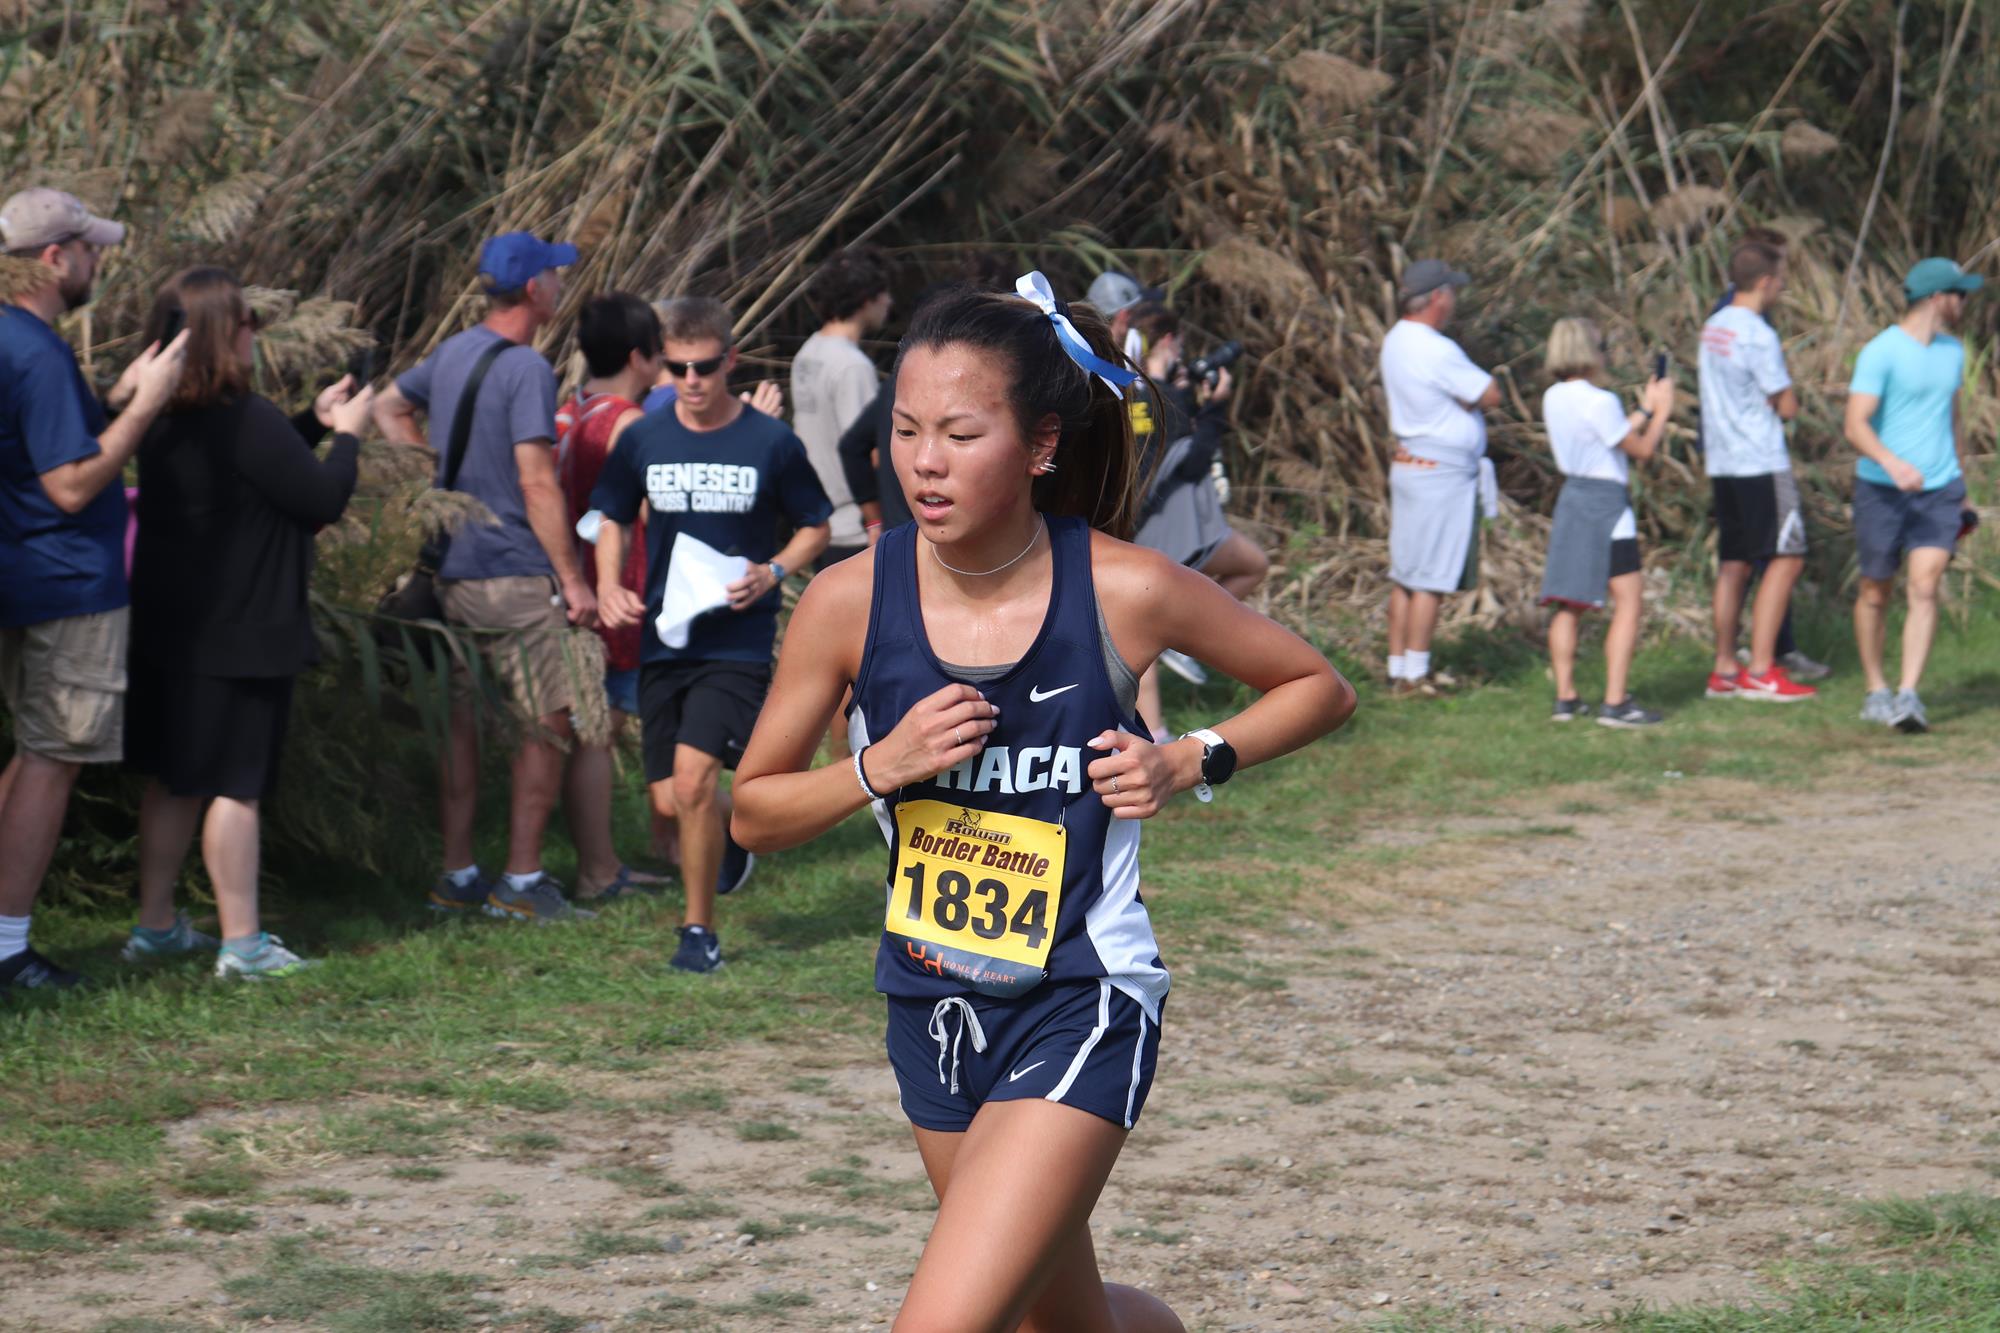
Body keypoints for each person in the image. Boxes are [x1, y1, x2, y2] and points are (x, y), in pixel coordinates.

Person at [728, 276, 1354, 1330]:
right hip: (929, 1002)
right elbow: (750, 811)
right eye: (906, 431)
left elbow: (1316, 686)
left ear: (1039, 445)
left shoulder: (1122, 588)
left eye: (960, 433)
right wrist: (878, 767)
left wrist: (1188, 757)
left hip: (1081, 995)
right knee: (1055, 1323)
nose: (923, 461)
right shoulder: (846, 599)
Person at [124, 267, 371, 978]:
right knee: (236, 782)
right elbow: (319, 497)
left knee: (176, 777)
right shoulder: (245, 417)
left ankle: (156, 925)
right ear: (222, 334)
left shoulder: (161, 416)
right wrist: (348, 436)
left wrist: (308, 422)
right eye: (243, 322)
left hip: (173, 627)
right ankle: (244, 942)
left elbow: (251, 470)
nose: (253, 334)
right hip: (244, 630)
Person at [590, 296, 831, 973]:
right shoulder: (643, 437)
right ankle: (734, 828)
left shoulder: (770, 442)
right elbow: (610, 513)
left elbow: (815, 521)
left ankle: (698, 931)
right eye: (677, 368)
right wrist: (610, 584)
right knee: (670, 798)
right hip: (665, 638)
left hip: (738, 642)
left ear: (730, 360)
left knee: (693, 781)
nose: (691, 382)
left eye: (703, 367)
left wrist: (774, 570)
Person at [371, 232, 601, 922]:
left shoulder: (454, 350)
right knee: (547, 720)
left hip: (450, 572)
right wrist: (573, 579)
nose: (561, 287)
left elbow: (387, 406)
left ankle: (458, 873)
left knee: (461, 721)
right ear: (534, 291)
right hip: (510, 571)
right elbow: (536, 480)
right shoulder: (527, 367)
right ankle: (523, 882)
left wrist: (436, 483)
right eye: (555, 277)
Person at [0, 188, 186, 991]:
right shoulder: (38, 351)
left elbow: (35, 444)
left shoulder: (14, 340)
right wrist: (143, 410)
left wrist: (107, 400)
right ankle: (7, 948)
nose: (97, 260)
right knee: (53, 758)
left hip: (21, 571)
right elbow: (72, 483)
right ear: (53, 258)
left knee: (29, 753)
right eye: (88, 248)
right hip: (67, 581)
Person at [553, 292, 675, 895]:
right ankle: (600, 869)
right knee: (601, 733)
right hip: (622, 594)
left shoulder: (575, 412)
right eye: (660, 356)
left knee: (596, 730)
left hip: (584, 590)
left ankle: (610, 859)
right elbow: (656, 511)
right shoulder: (629, 423)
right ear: (639, 356)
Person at [1845, 257, 1982, 733]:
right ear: (1936, 298)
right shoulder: (1880, 352)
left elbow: (1953, 420)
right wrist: (1891, 462)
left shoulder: (1953, 352)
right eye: (1959, 293)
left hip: (1940, 489)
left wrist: (1962, 487)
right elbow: (1855, 423)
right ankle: (1876, 689)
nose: (1964, 302)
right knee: (1875, 590)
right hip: (1881, 491)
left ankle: (1908, 695)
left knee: (1924, 585)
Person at [1125, 300, 1269, 740]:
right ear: (1169, 340)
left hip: (1139, 522)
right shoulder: (1162, 394)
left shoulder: (1131, 389)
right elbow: (1191, 458)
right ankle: (1158, 727)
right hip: (1173, 526)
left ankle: (1159, 718)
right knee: (1142, 627)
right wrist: (1216, 407)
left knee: (1139, 627)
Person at [1704, 228, 1829, 682]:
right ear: (1764, 282)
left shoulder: (1713, 326)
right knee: (1787, 557)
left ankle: (1724, 666)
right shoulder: (1757, 333)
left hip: (1723, 463)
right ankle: (1761, 667)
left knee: (1734, 564)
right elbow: (1787, 402)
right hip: (1759, 460)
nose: (1782, 287)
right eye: (1780, 279)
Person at [1537, 318, 1674, 727]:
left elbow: (1609, 435)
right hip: (1607, 504)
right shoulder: (1601, 400)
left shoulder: (1554, 397)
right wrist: (1662, 414)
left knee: (1569, 602)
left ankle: (1566, 697)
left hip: (1573, 497)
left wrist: (1644, 409)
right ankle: (1615, 702)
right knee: (1628, 600)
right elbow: (1642, 450)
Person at [1379, 259, 1502, 696]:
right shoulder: (1435, 346)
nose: (1453, 300)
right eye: (1451, 292)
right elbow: (1489, 393)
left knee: (1407, 572)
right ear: (1437, 297)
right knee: (1431, 575)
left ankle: (1397, 667)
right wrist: (1462, 405)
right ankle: (1415, 675)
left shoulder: (1395, 340)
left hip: (1410, 464)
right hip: (1441, 473)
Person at [792, 245, 892, 568]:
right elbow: (867, 450)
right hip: (854, 527)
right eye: (883, 293)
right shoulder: (852, 366)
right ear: (866, 299)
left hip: (818, 519)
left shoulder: (808, 352)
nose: (889, 302)